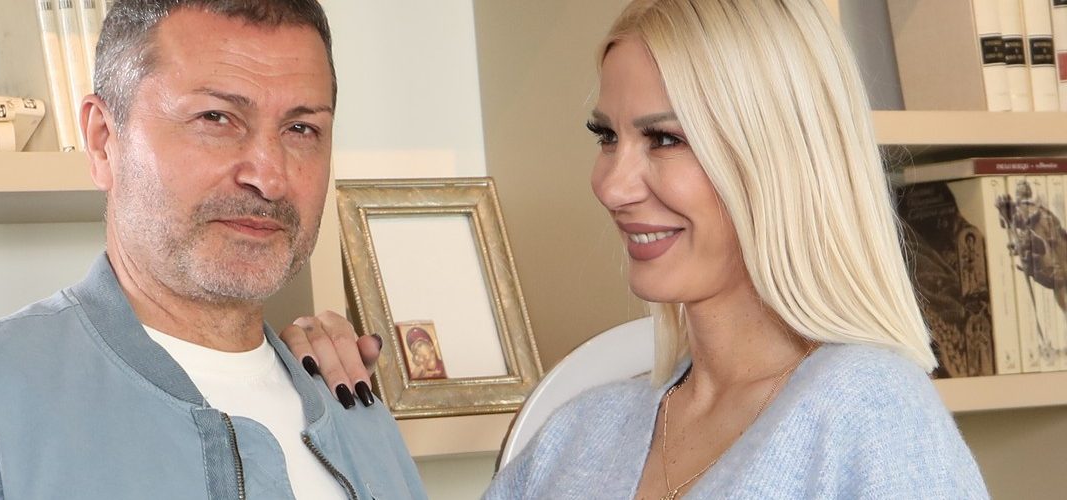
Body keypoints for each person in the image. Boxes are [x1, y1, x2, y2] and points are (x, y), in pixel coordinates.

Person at [288, 0, 989, 498]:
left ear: (777, 158)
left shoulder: (870, 411)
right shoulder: (579, 431)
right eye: (607, 137)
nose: (612, 184)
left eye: (665, 139)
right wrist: (344, 424)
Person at [0, 1, 424, 499]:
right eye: (215, 118)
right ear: (103, 140)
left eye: (301, 129)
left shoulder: (357, 412)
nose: (269, 177)